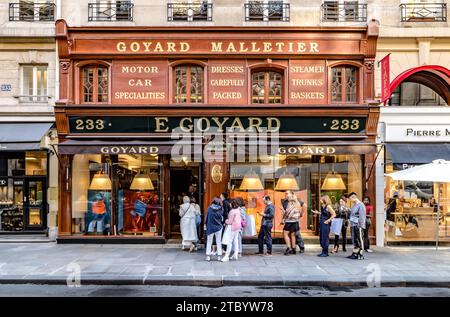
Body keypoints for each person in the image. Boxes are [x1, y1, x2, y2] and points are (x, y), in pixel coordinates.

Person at [347, 192, 366, 260]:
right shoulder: (354, 205)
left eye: (350, 199)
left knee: (360, 239)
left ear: (353, 197)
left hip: (358, 225)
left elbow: (362, 216)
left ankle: (360, 254)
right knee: (354, 240)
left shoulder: (361, 205)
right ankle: (355, 253)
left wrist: (361, 226)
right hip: (353, 225)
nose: (350, 201)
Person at [204, 197, 223, 261]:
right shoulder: (221, 209)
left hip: (210, 227)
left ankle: (208, 256)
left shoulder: (209, 208)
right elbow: (222, 218)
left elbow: (206, 218)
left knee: (209, 242)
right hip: (218, 227)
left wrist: (205, 224)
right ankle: (219, 256)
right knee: (219, 241)